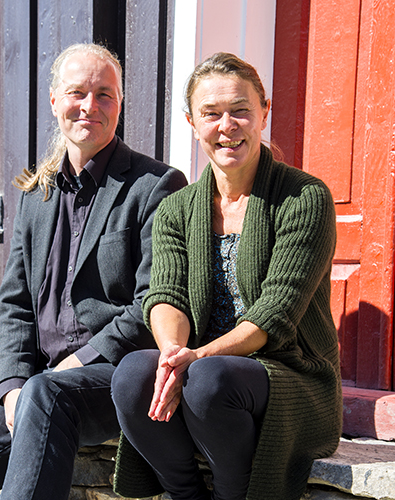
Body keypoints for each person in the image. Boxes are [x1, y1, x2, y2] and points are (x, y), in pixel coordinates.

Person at [0, 43, 187, 500]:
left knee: (46, 395)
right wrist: (12, 384)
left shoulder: (156, 186)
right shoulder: (39, 194)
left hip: (109, 378)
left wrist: (76, 363)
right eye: (77, 92)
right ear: (54, 102)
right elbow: (14, 303)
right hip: (37, 381)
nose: (90, 106)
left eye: (104, 94)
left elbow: (151, 303)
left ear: (119, 103)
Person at [111, 52, 342, 500]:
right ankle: (186, 494)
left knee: (210, 380)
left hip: (289, 373)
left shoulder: (304, 197)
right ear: (192, 122)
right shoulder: (178, 207)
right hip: (205, 369)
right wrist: (175, 355)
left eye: (240, 110)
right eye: (211, 114)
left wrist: (198, 359)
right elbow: (166, 295)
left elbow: (275, 313)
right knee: (133, 375)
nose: (227, 125)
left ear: (264, 112)